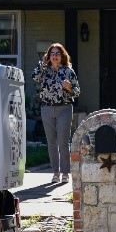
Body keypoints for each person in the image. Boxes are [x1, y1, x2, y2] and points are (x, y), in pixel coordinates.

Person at [31, 43, 80, 184]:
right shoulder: (44, 70)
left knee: (63, 142)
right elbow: (34, 77)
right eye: (52, 53)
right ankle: (55, 173)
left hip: (64, 108)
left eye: (57, 53)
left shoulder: (68, 71)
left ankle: (65, 172)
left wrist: (69, 87)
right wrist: (43, 64)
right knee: (51, 142)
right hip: (46, 108)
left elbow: (77, 91)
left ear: (62, 55)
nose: (54, 56)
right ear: (48, 56)